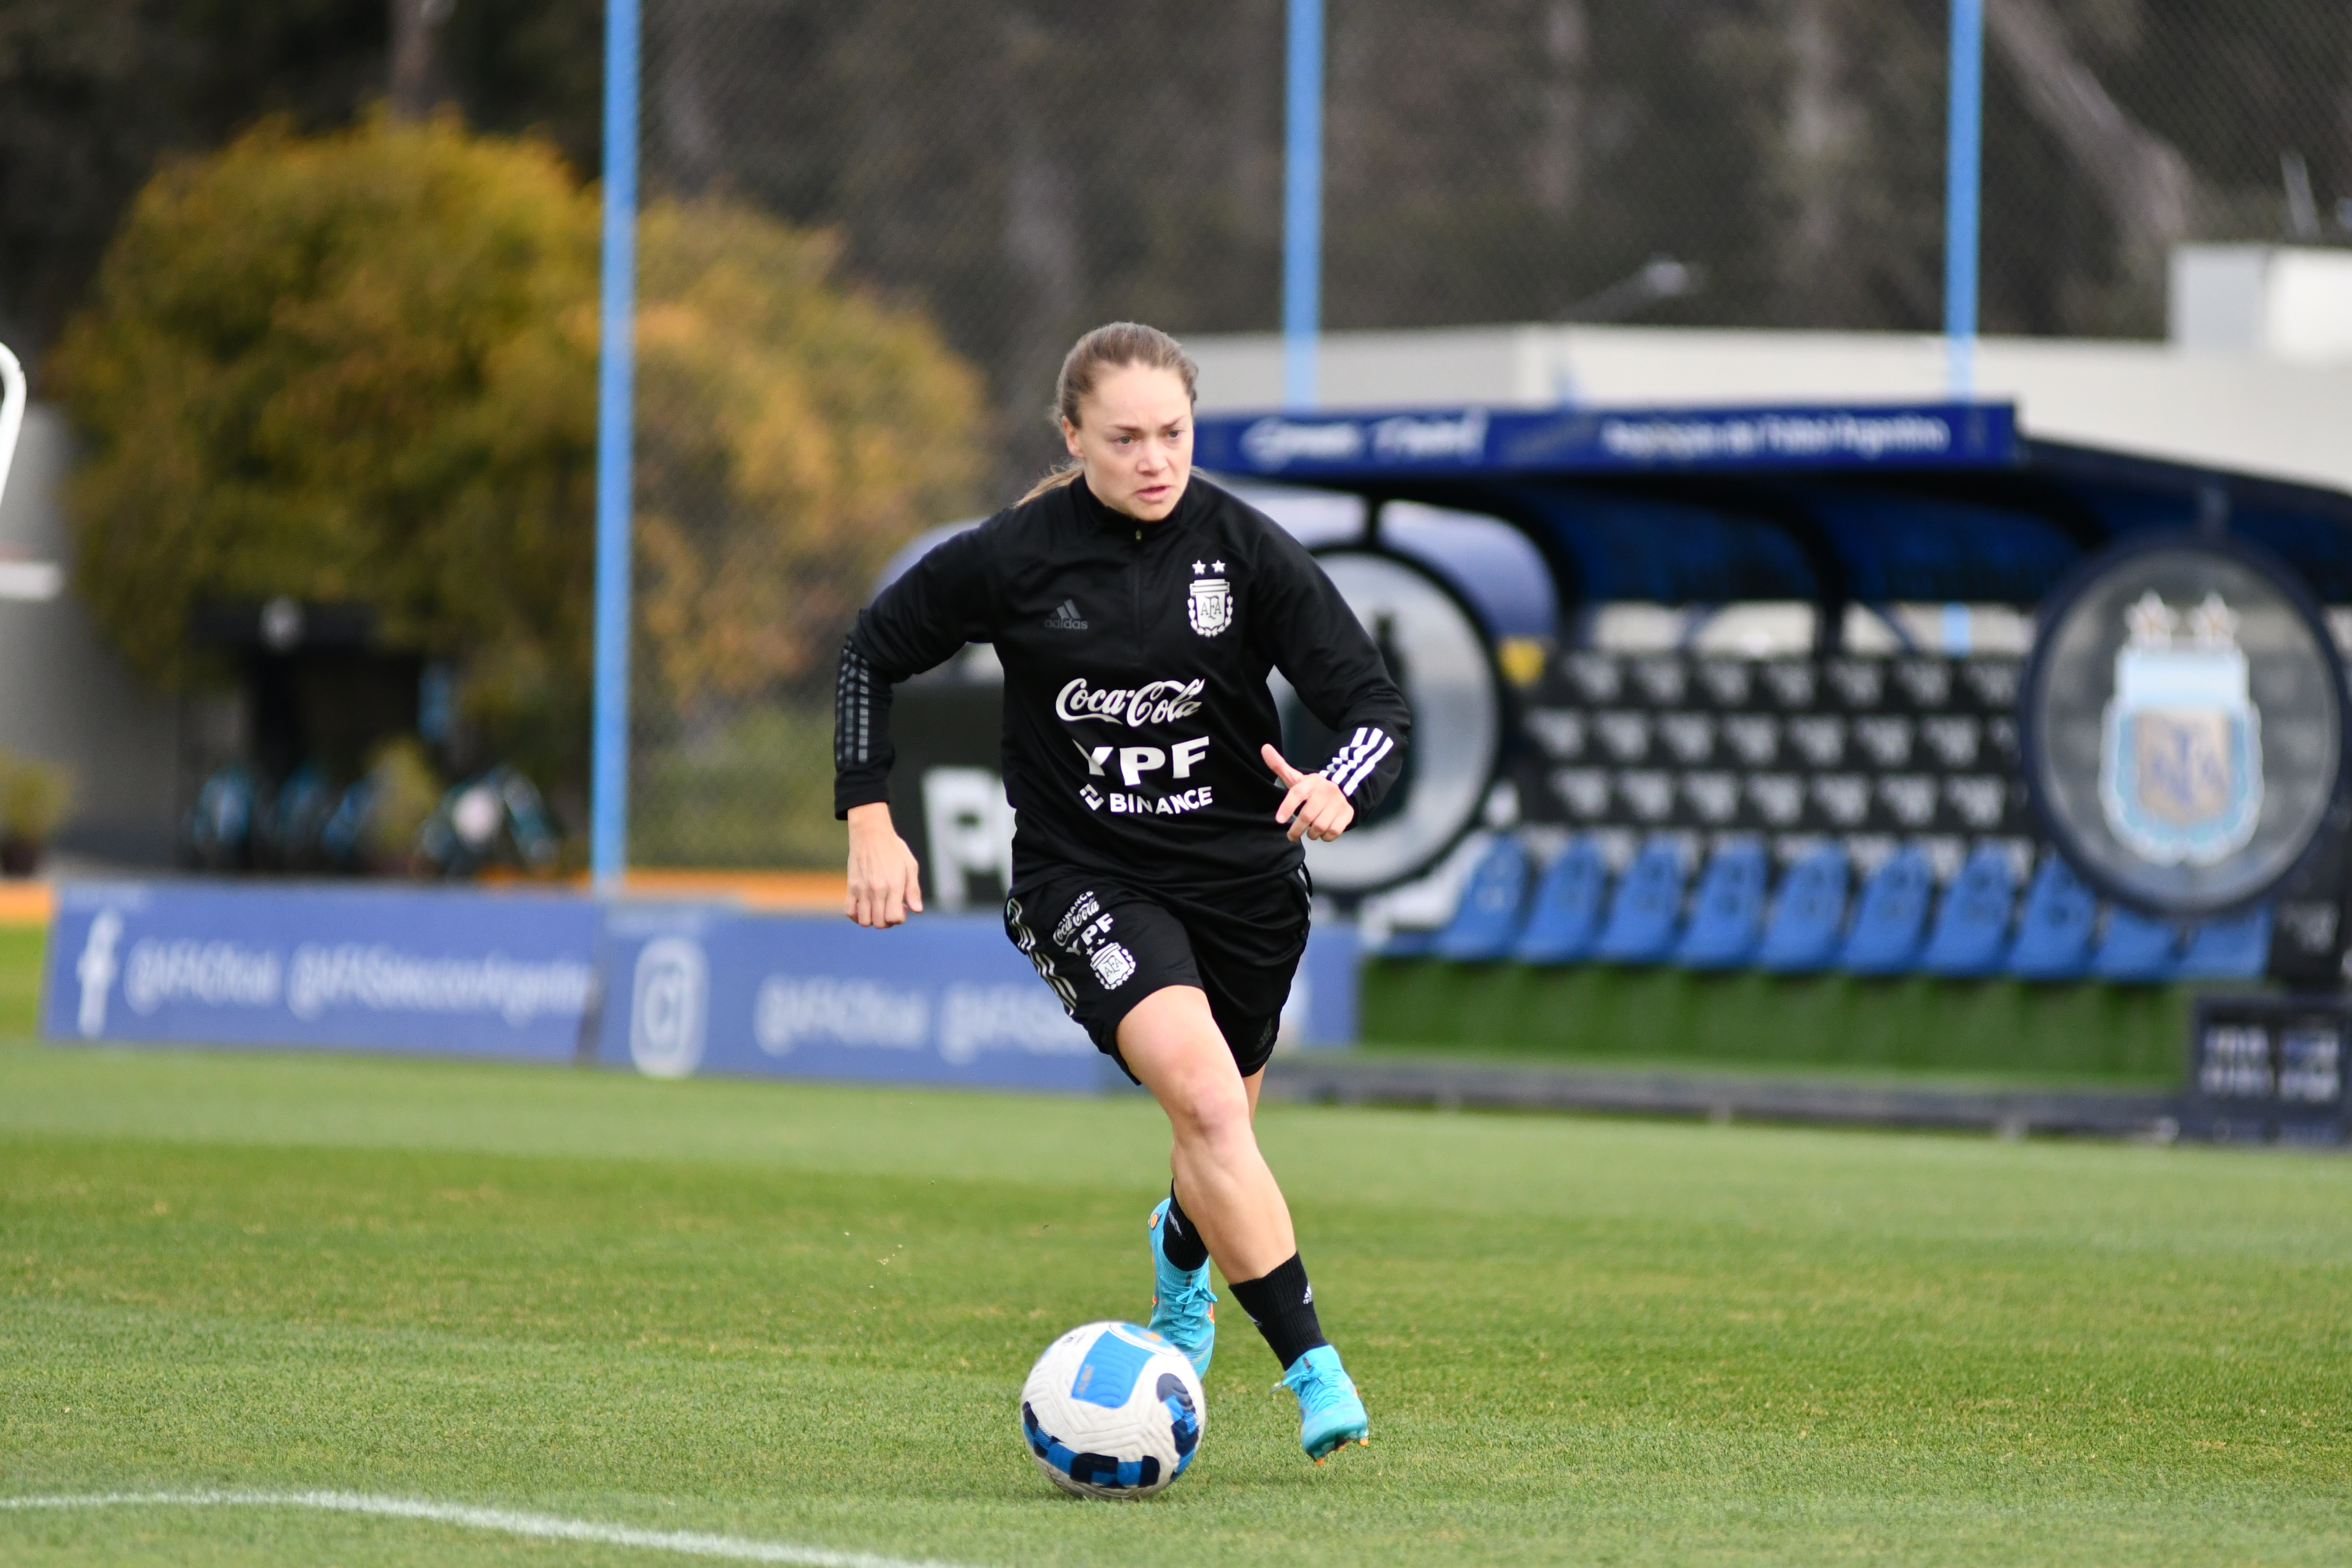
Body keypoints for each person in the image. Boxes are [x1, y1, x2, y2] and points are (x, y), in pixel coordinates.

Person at [833, 321, 1409, 1463]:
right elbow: (870, 651)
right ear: (1072, 435)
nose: (1155, 460)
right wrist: (868, 817)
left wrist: (1337, 786)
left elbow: (1375, 709)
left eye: (1174, 434)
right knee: (1208, 1107)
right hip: (1084, 878)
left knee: (1219, 1128)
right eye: (1126, 437)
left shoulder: (1245, 551)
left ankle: (1180, 1259)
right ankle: (1315, 1370)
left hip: (1247, 888)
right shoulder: (1017, 557)